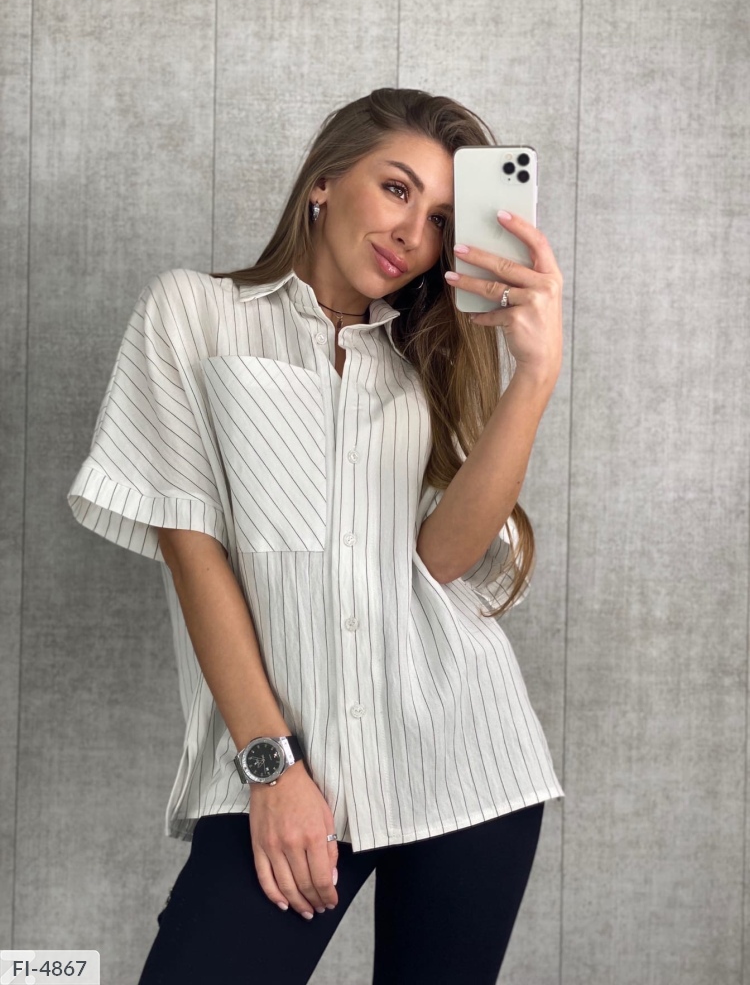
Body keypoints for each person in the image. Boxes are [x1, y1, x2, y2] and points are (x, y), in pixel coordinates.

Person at [67, 87, 564, 984]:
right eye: (398, 188)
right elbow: (194, 550)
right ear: (325, 181)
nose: (413, 232)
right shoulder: (192, 313)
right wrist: (272, 769)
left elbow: (440, 562)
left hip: (465, 761)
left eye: (441, 218)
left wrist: (534, 374)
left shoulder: (424, 360)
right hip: (282, 769)